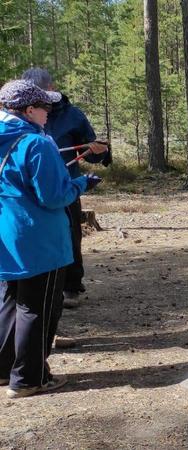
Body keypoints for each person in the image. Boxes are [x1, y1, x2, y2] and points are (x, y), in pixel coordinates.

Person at [0, 79, 101, 398]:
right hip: (39, 239)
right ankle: (29, 378)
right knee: (38, 307)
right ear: (29, 110)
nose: (50, 112)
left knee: (10, 302)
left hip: (7, 236)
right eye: (46, 107)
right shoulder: (37, 144)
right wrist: (82, 184)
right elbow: (54, 196)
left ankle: (3, 370)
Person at [22, 68, 110, 308]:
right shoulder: (18, 116)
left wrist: (97, 151)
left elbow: (90, 153)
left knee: (70, 236)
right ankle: (32, 287)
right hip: (26, 191)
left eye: (40, 92)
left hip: (66, 186)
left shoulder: (72, 115)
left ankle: (71, 286)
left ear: (51, 88)